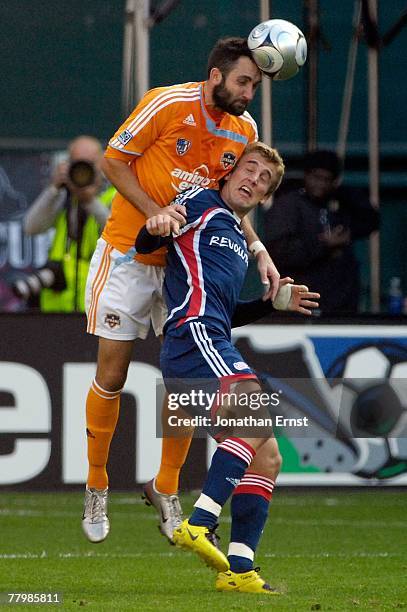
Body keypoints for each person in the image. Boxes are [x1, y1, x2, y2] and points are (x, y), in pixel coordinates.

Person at [82, 37, 282, 543]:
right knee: (113, 371)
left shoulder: (245, 130)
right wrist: (155, 213)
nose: (249, 93)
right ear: (215, 75)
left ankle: (165, 486)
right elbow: (112, 161)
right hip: (129, 251)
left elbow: (231, 198)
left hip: (180, 264)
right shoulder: (167, 102)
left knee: (187, 387)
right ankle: (97, 484)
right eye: (243, 82)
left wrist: (257, 248)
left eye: (255, 85)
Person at [135, 142, 319, 594]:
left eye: (262, 180)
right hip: (191, 336)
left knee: (268, 454)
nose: (252, 179)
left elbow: (225, 311)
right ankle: (200, 520)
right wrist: (156, 225)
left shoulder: (237, 239)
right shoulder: (202, 203)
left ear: (262, 198)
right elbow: (148, 241)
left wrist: (269, 304)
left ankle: (238, 571)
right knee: (259, 414)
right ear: (229, 172)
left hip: (210, 337)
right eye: (248, 169)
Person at [262, 149, 380, 313]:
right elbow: (280, 252)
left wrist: (347, 235)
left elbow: (370, 219)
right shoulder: (288, 205)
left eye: (327, 180)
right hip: (301, 302)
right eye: (316, 177)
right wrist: (323, 244)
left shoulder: (339, 203)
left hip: (341, 302)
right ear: (306, 175)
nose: (321, 184)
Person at [22, 136, 112, 312]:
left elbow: (117, 232)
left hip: (97, 302)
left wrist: (90, 200)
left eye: (89, 164)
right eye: (77, 163)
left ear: (102, 164)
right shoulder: (63, 195)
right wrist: (54, 188)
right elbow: (31, 227)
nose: (82, 171)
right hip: (58, 305)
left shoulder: (114, 195)